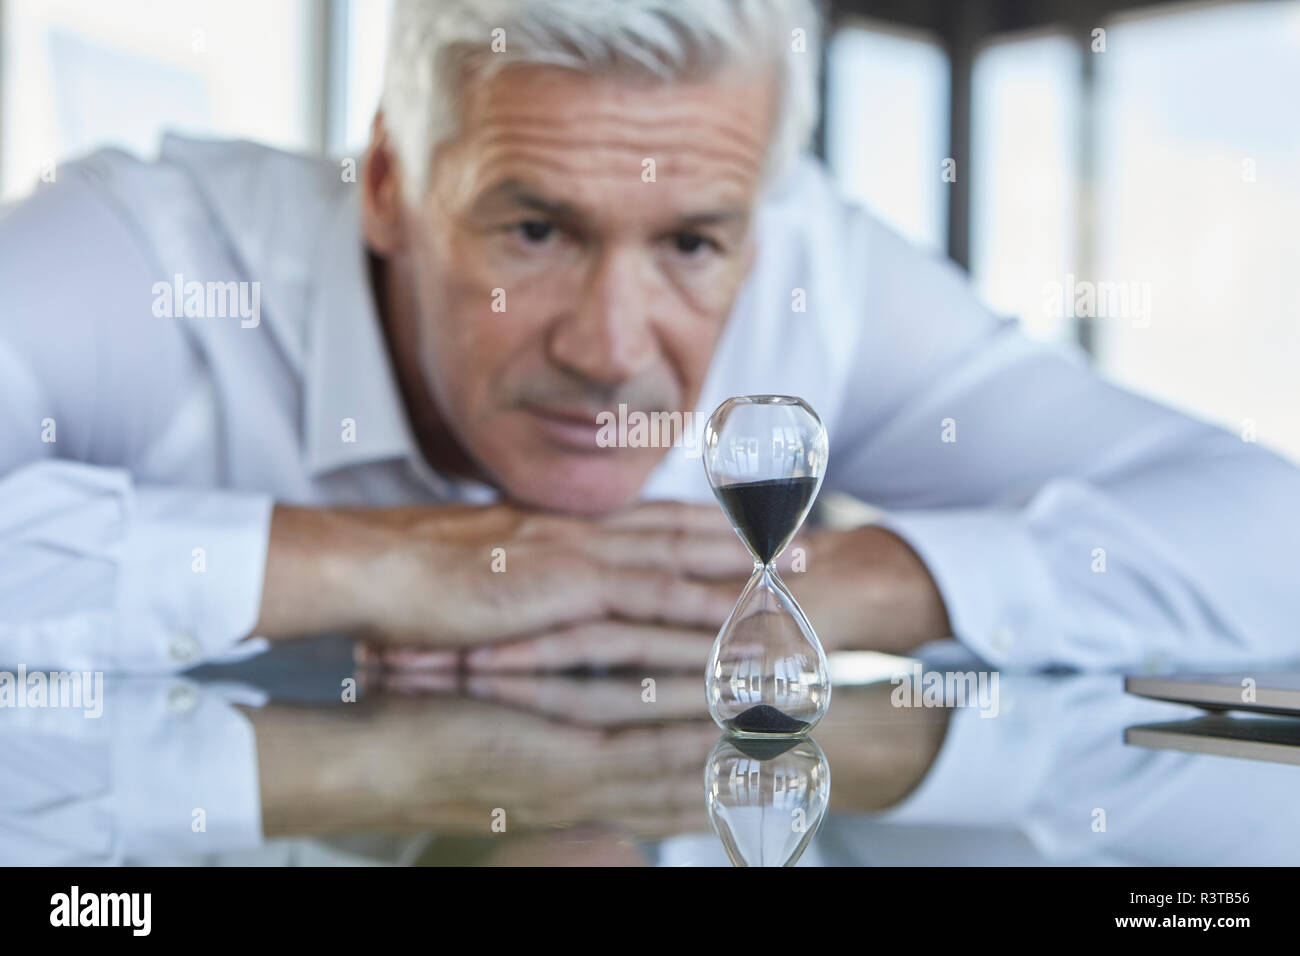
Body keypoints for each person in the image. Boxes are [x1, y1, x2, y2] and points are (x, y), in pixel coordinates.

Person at [1, 0, 1296, 676]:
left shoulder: (817, 268)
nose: (614, 350)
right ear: (391, 181)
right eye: (534, 230)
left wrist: (830, 592)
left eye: (690, 245)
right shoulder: (151, 257)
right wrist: (359, 565)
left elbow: (1273, 533)